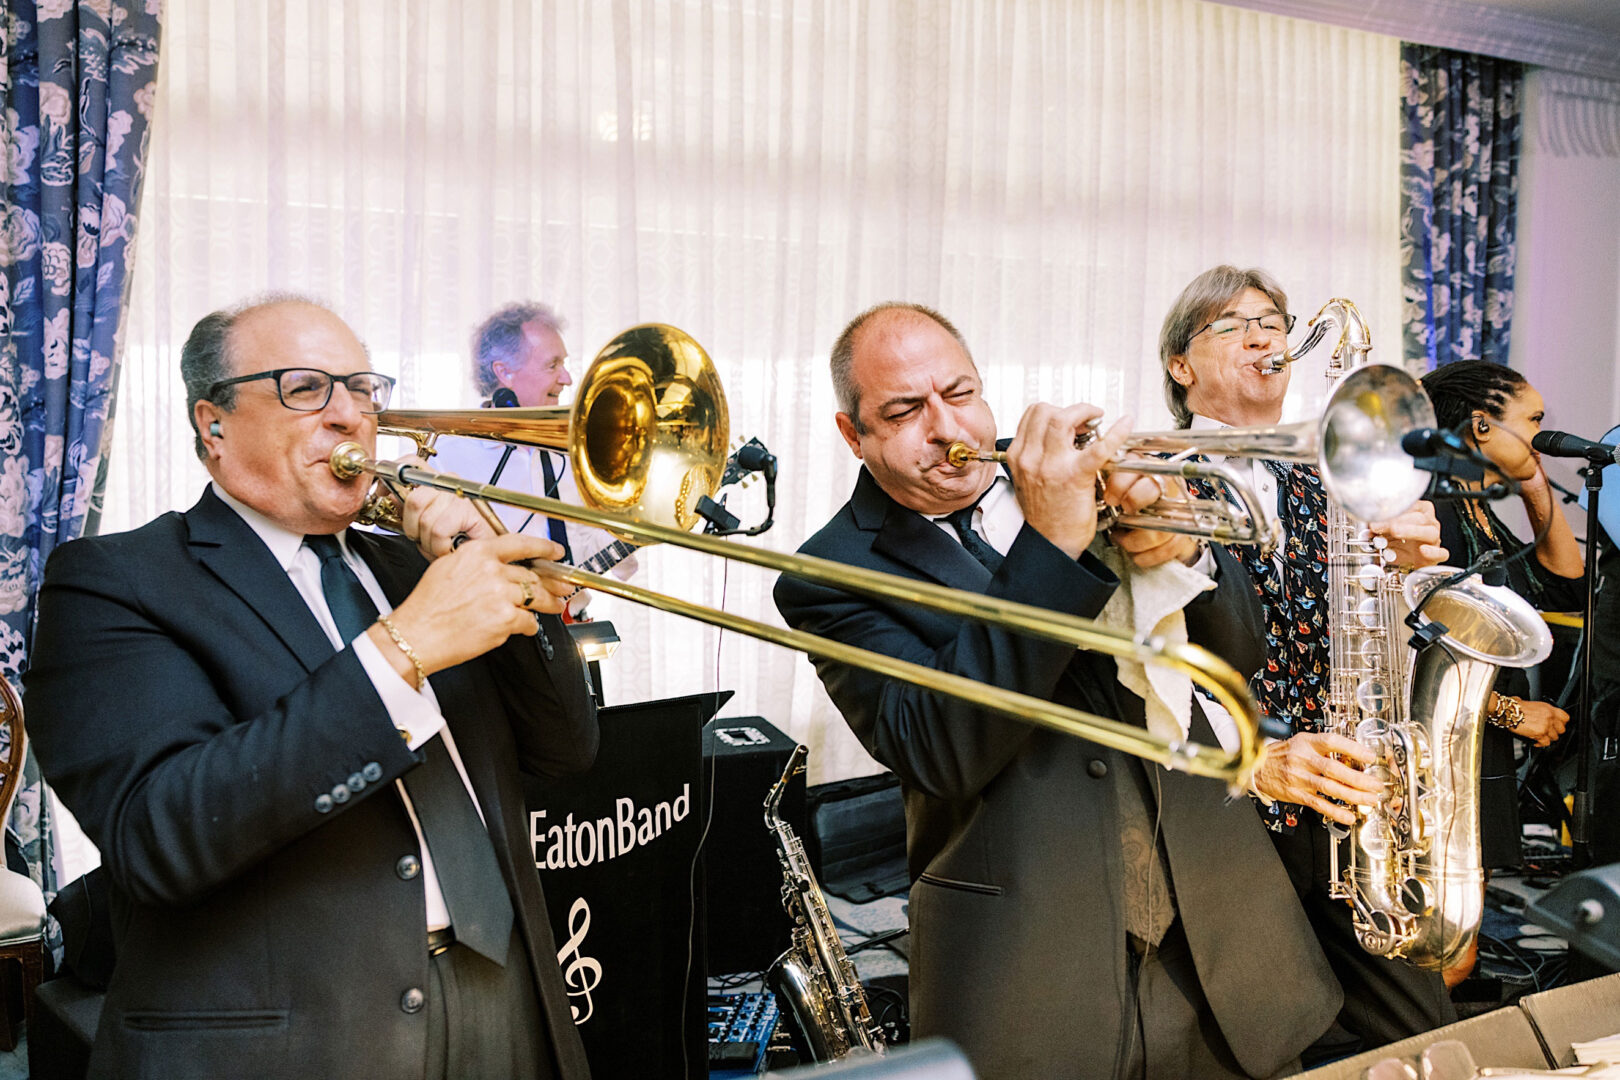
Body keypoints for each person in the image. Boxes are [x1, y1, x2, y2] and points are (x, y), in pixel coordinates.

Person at [24, 296, 599, 1080]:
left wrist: (505, 570)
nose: (350, 416)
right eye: (306, 388)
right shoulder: (116, 581)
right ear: (213, 424)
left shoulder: (416, 569)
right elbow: (159, 835)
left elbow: (567, 748)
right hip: (291, 1041)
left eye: (362, 389)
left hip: (507, 1005)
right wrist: (404, 648)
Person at [774, 302, 1341, 1080]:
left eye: (960, 392)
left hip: (1224, 934)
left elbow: (1236, 654)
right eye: (905, 412)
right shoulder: (830, 575)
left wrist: (1185, 557)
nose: (947, 428)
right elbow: (938, 749)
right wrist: (1049, 545)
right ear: (854, 435)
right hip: (1032, 971)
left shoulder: (1070, 466)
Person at [1160, 265, 1456, 1058]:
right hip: (1220, 801)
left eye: (1273, 320)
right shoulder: (1156, 475)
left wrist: (1405, 573)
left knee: (1416, 1030)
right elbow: (1144, 664)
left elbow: (1369, 630)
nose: (1263, 336)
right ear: (1180, 366)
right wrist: (1256, 756)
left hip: (1338, 785)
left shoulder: (1331, 474)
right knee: (1260, 1035)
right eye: (1231, 325)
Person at [1420, 360, 1580, 866]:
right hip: (1439, 749)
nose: (1542, 433)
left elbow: (1563, 585)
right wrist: (1512, 713)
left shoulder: (1474, 510)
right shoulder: (1430, 511)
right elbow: (1410, 656)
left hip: (1473, 740)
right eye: (1533, 420)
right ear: (1482, 425)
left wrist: (1535, 483)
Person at [430, 302, 636, 615]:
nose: (567, 378)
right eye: (552, 365)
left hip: (571, 632)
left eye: (564, 364)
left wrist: (638, 521)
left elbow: (590, 546)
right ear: (504, 372)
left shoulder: (575, 453)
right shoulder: (449, 454)